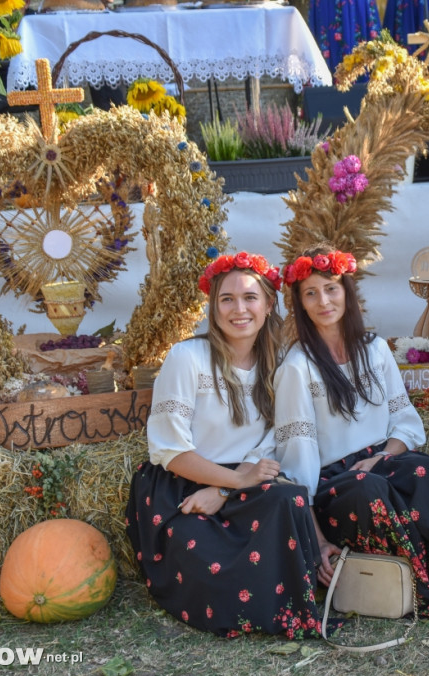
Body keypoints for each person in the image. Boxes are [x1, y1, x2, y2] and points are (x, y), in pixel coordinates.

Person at [273, 244, 429, 617]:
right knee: (367, 487)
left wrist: (382, 456)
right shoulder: (297, 366)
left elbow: (405, 420)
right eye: (311, 293)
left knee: (423, 468)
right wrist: (317, 540)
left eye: (331, 288)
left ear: (347, 292)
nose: (323, 300)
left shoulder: (374, 349)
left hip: (377, 460)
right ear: (301, 304)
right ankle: (416, 588)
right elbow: (298, 462)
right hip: (334, 485)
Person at [125, 252, 330, 639]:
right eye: (227, 299)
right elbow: (170, 450)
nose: (240, 309)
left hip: (243, 481)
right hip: (185, 486)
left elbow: (276, 440)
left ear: (269, 305)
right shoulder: (187, 358)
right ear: (214, 307)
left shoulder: (282, 364)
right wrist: (226, 483)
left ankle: (282, 604)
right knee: (209, 568)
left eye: (250, 298)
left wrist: (230, 486)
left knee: (290, 499)